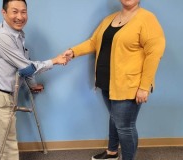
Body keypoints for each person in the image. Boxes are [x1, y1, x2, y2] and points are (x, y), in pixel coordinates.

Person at [63, 0, 165, 159]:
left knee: (125, 127)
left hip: (129, 85)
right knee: (115, 117)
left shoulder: (147, 19)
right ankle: (112, 152)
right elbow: (93, 42)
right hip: (107, 82)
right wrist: (73, 51)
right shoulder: (109, 19)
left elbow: (154, 53)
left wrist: (144, 86)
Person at [0, 0, 68, 160]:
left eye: (23, 11)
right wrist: (54, 60)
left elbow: (23, 65)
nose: (20, 16)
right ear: (4, 13)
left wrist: (33, 85)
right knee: (8, 146)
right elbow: (26, 68)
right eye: (14, 11)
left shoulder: (17, 35)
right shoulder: (2, 37)